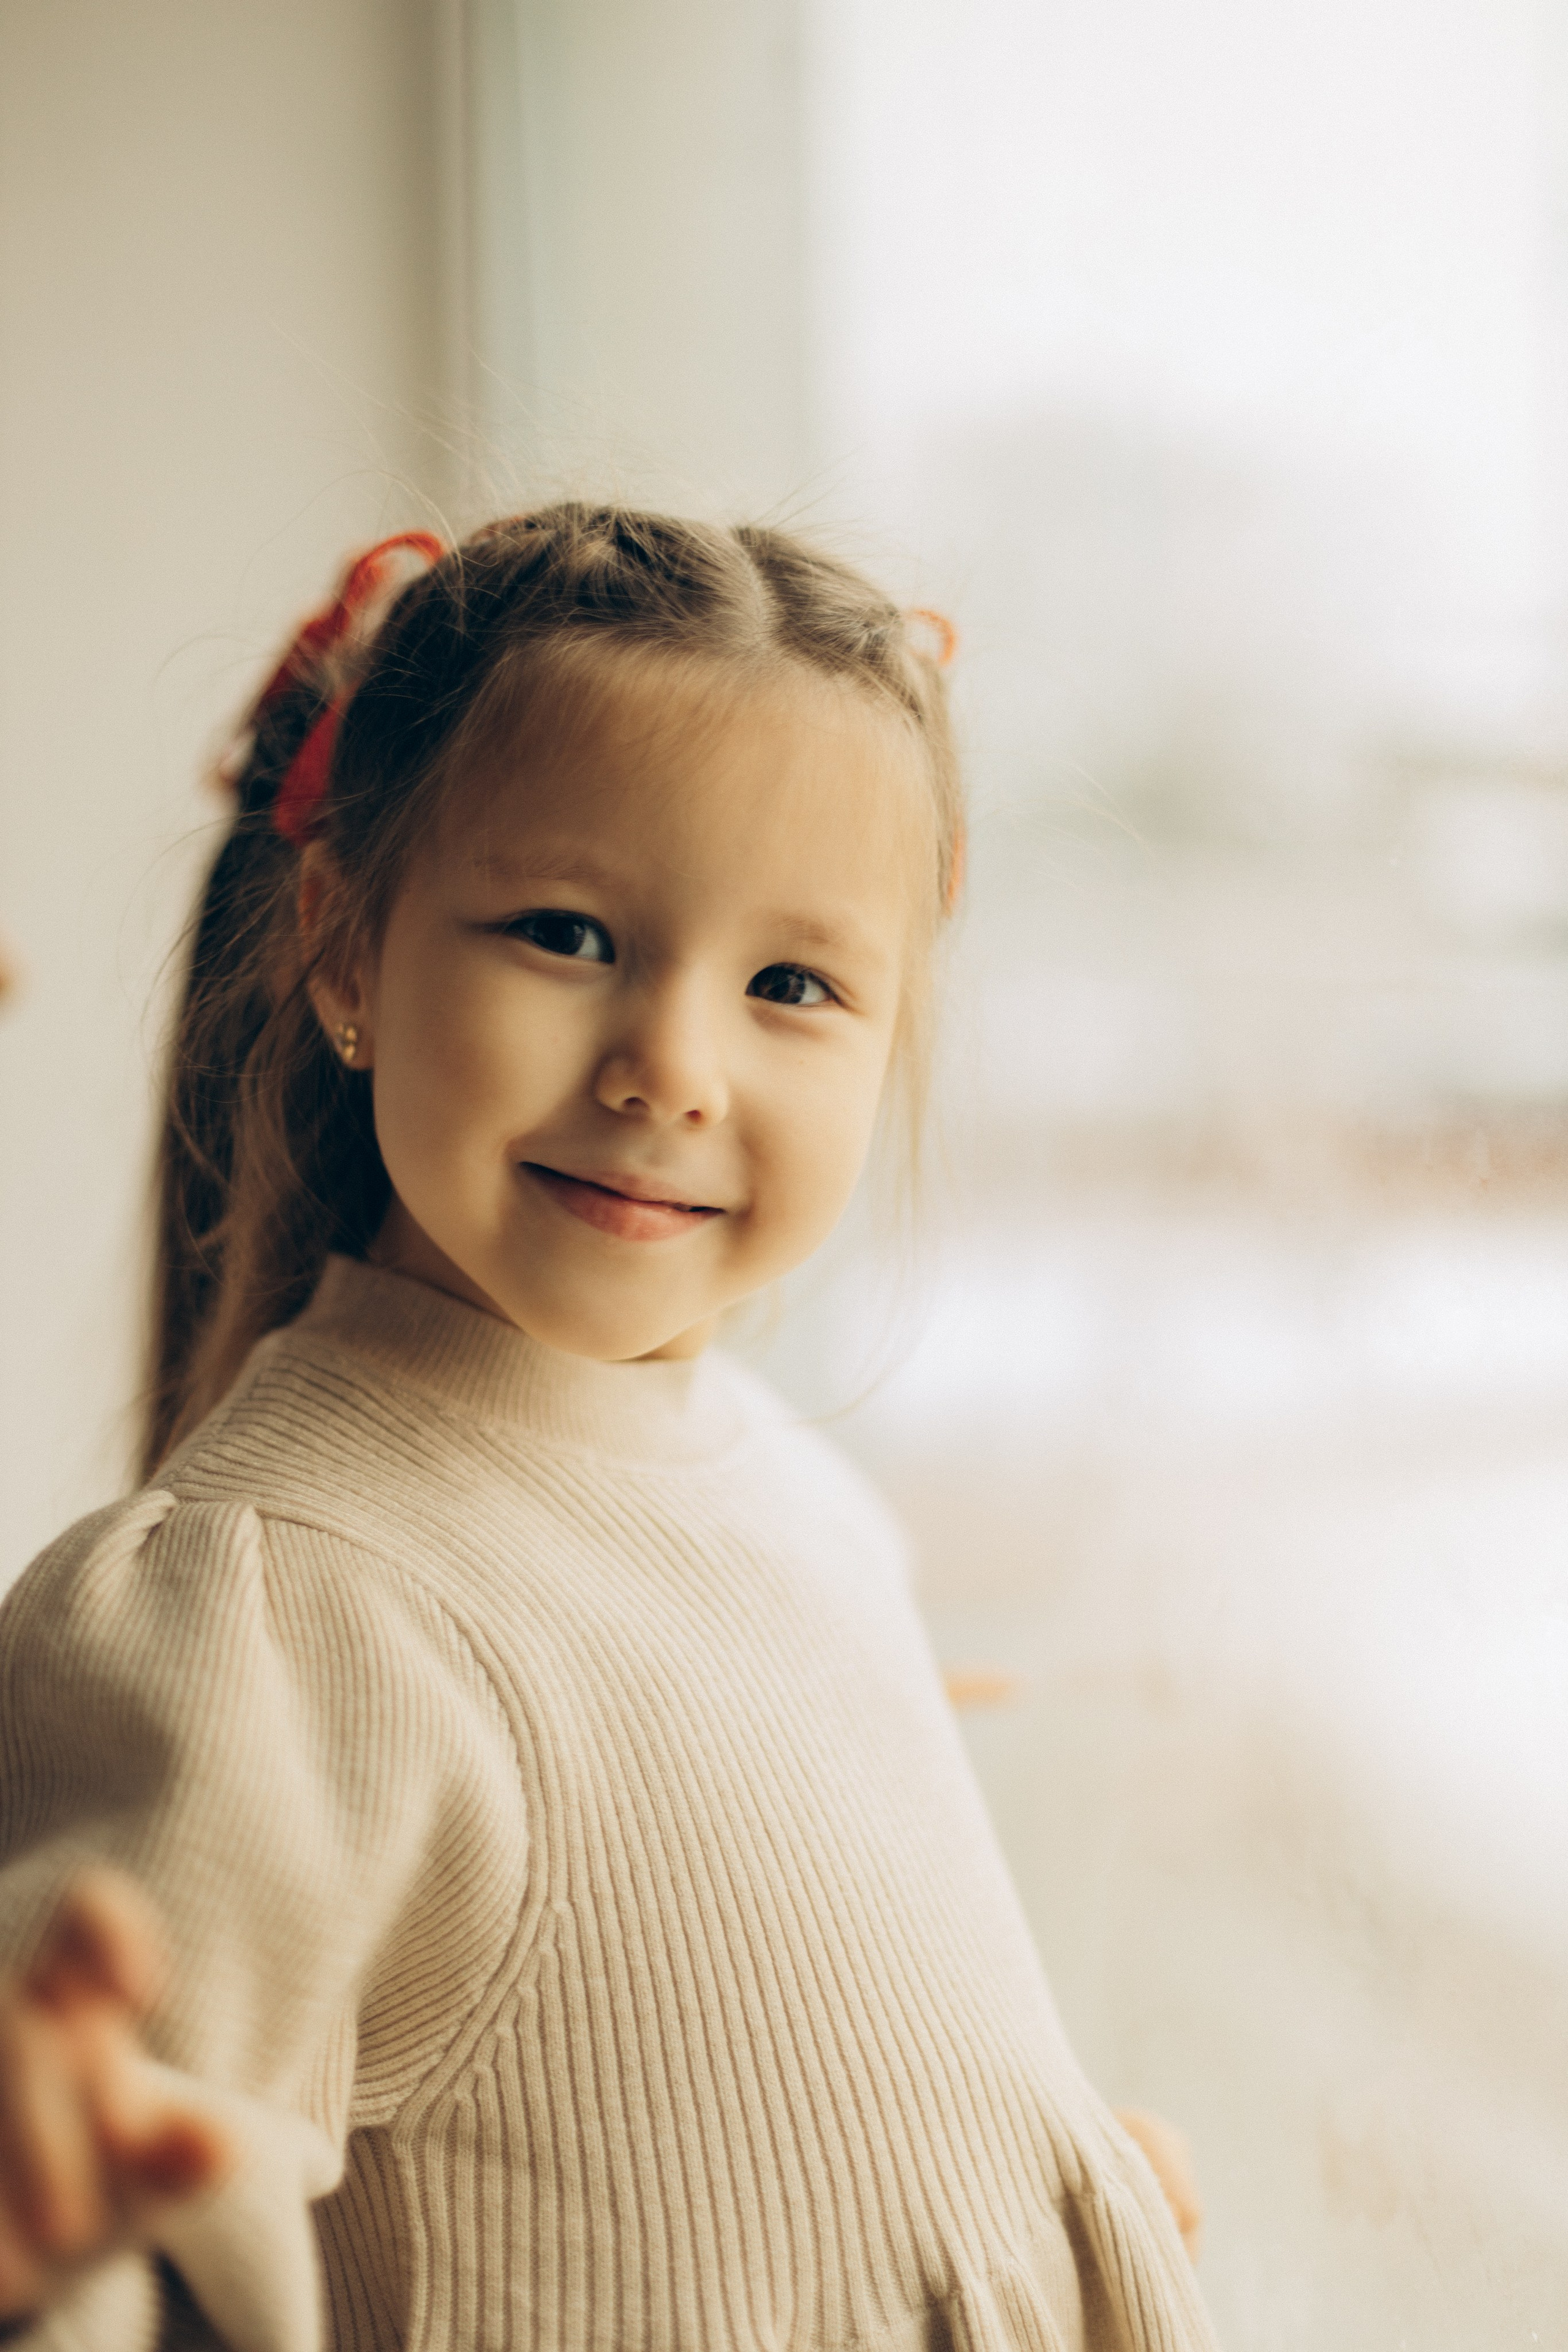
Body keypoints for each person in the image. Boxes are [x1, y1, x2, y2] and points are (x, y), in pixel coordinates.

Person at [0, 508, 1216, 2351]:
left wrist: (1034, 2193)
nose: (673, 1067)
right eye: (567, 935)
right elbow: (87, 2240)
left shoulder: (798, 1492)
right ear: (342, 947)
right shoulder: (272, 1615)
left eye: (792, 985)